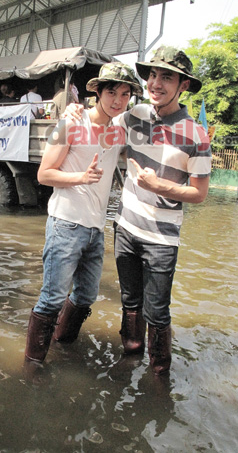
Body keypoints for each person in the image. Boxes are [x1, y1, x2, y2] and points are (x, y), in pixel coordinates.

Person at [63, 46, 212, 375]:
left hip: (162, 239)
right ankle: (130, 359)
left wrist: (160, 186)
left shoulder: (197, 135)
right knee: (130, 302)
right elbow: (101, 115)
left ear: (183, 85)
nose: (156, 83)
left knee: (157, 312)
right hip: (125, 230)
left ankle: (158, 375)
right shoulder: (135, 116)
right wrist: (77, 110)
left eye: (167, 77)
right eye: (153, 75)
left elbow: (199, 194)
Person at [24, 62, 143, 366]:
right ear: (98, 92)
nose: (118, 100)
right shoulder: (70, 124)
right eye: (112, 92)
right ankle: (32, 365)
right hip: (65, 224)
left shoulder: (118, 131)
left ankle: (62, 343)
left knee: (86, 296)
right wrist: (80, 177)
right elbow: (44, 174)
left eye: (125, 94)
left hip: (95, 229)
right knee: (51, 298)